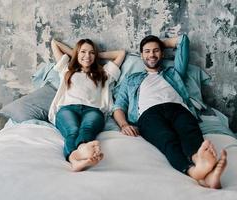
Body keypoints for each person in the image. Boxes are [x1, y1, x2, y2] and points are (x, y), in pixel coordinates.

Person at [112, 34, 227, 189]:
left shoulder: (174, 72)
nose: (151, 55)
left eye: (155, 51)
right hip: (149, 114)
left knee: (190, 133)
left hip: (177, 108)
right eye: (147, 51)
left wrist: (161, 43)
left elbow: (183, 41)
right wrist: (124, 124)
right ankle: (193, 171)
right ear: (141, 55)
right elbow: (118, 106)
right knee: (167, 139)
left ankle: (202, 165)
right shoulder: (131, 79)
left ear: (163, 53)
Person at [48, 38, 125, 172]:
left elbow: (121, 53)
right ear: (77, 53)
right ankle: (75, 159)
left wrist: (96, 54)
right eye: (83, 52)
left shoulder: (104, 73)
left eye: (91, 53)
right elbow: (55, 43)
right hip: (68, 109)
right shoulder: (67, 70)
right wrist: (79, 53)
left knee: (87, 129)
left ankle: (80, 153)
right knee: (72, 131)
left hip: (93, 111)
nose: (87, 56)